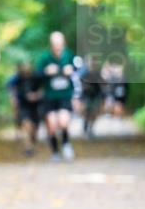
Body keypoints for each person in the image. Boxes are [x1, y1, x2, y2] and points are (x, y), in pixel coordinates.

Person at [36, 31, 77, 161]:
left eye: (59, 43)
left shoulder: (69, 55)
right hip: (50, 96)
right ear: (51, 44)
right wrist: (46, 72)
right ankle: (55, 152)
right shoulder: (45, 58)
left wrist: (71, 70)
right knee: (52, 124)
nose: (57, 46)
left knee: (63, 121)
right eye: (54, 44)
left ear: (63, 43)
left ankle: (66, 143)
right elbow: (36, 76)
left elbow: (81, 69)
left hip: (65, 95)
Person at [7, 62, 42, 156]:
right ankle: (28, 147)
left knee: (34, 127)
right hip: (23, 105)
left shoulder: (36, 76)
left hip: (35, 106)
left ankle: (32, 140)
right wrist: (13, 99)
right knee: (26, 124)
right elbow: (11, 88)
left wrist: (37, 95)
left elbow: (43, 87)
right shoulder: (16, 78)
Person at [79, 56, 104, 138]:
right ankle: (86, 125)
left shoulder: (98, 73)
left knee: (95, 112)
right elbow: (82, 85)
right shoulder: (84, 73)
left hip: (96, 95)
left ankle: (90, 128)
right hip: (87, 95)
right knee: (87, 112)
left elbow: (103, 83)